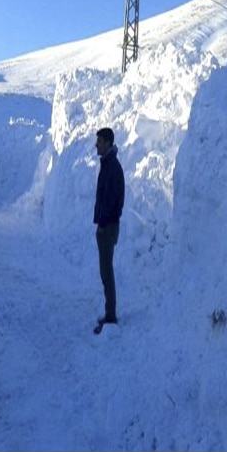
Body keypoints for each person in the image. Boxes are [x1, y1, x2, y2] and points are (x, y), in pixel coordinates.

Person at [93, 127, 125, 334]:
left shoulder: (112, 166)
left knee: (107, 272)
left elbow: (114, 200)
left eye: (99, 141)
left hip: (108, 226)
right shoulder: (108, 164)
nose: (96, 145)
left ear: (107, 142)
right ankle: (109, 312)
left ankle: (111, 315)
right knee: (105, 272)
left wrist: (104, 223)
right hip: (106, 225)